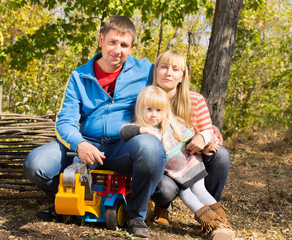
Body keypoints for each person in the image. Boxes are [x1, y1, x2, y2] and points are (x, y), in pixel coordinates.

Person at [23, 15, 166, 238]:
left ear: (132, 47)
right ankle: (68, 200)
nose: (117, 50)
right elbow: (65, 121)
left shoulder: (145, 70)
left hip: (125, 145)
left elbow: (175, 89)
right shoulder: (80, 76)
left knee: (151, 148)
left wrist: (204, 127)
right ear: (101, 40)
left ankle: (135, 215)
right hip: (86, 143)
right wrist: (79, 144)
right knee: (36, 164)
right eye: (112, 42)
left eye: (124, 45)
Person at [120, 86, 234, 239]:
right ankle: (212, 223)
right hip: (175, 176)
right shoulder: (143, 129)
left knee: (201, 191)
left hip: (191, 165)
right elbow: (124, 132)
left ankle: (221, 223)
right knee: (187, 196)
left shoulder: (172, 125)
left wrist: (204, 148)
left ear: (165, 111)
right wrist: (143, 130)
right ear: (140, 109)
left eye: (159, 110)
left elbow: (190, 140)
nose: (154, 115)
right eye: (149, 109)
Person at [150, 51, 231, 225]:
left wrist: (203, 138)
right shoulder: (148, 100)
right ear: (155, 71)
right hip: (164, 164)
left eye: (175, 69)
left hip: (191, 160)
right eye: (163, 67)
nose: (168, 73)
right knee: (165, 189)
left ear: (182, 76)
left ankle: (208, 210)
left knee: (221, 155)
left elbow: (210, 131)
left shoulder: (195, 100)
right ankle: (162, 205)